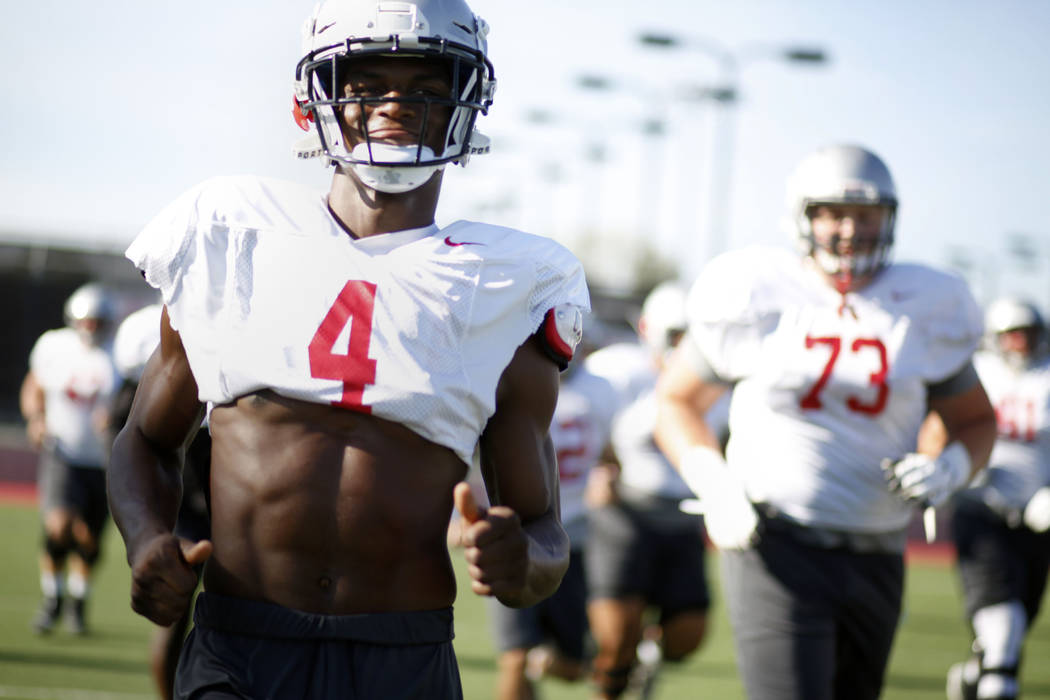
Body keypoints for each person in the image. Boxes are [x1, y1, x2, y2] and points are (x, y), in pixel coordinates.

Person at [105, 1, 589, 697]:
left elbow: (543, 531)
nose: (395, 106)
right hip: (239, 648)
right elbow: (146, 441)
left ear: (467, 104)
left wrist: (523, 565)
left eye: (425, 88)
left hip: (404, 656)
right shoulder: (230, 233)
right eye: (366, 86)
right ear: (316, 100)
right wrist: (147, 540)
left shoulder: (511, 281)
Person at [653, 143, 999, 700]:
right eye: (832, 213)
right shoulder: (758, 291)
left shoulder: (927, 303)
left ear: (890, 219)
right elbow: (675, 403)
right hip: (776, 539)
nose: (849, 229)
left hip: (880, 548)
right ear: (803, 217)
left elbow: (977, 420)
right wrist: (714, 484)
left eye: (866, 215)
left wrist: (950, 467)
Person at [583, 282, 716, 699]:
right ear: (649, 329)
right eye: (676, 335)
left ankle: (648, 655)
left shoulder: (717, 380)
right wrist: (595, 470)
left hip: (685, 518)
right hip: (625, 515)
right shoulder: (618, 372)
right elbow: (575, 425)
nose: (685, 346)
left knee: (688, 636)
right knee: (616, 640)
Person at [482, 326, 618, 700]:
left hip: (573, 534)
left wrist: (608, 475)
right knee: (514, 656)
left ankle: (541, 660)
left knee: (573, 665)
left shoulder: (600, 388)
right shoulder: (509, 375)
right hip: (512, 528)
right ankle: (528, 661)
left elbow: (609, 453)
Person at [944, 297, 1050, 700]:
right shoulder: (977, 374)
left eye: (1027, 333)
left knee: (1017, 622)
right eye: (1011, 334)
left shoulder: (1047, 378)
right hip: (980, 510)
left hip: (1037, 520)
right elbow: (942, 425)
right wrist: (957, 463)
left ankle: (975, 676)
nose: (1020, 342)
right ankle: (992, 683)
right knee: (1004, 624)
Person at [111, 302, 212, 700]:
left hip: (229, 472)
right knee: (173, 610)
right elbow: (138, 434)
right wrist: (145, 534)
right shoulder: (150, 327)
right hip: (186, 475)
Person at [20, 282, 120, 636]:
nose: (90, 328)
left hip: (104, 460)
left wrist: (116, 416)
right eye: (86, 321)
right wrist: (36, 418)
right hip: (62, 452)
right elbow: (34, 386)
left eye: (97, 322)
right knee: (60, 525)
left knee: (89, 538)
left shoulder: (119, 353)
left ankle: (78, 603)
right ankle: (52, 599)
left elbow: (136, 398)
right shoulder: (54, 345)